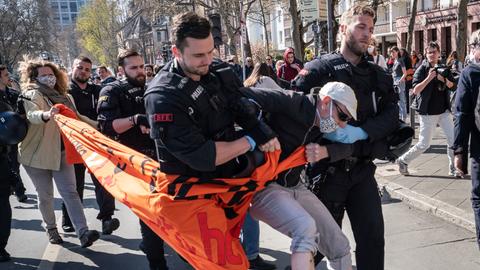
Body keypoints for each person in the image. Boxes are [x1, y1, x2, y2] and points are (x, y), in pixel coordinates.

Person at [144, 12, 279, 270]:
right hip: (192, 195)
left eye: (210, 51)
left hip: (229, 185)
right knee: (214, 262)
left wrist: (261, 129)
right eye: (198, 55)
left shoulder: (217, 69)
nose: (206, 60)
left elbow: (239, 104)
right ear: (176, 51)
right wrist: (252, 140)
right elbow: (203, 156)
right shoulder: (162, 96)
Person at [293, 5, 398, 270]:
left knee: (373, 242)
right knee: (315, 249)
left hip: (362, 171)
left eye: (371, 29)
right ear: (343, 28)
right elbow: (293, 114)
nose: (367, 34)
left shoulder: (378, 75)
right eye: (361, 26)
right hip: (325, 174)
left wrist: (362, 131)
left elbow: (392, 115)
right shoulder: (318, 70)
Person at [240, 82, 358, 270]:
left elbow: (350, 146)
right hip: (264, 187)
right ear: (326, 102)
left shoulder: (327, 123)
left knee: (339, 245)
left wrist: (326, 151)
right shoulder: (292, 102)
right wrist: (259, 131)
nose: (342, 123)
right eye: (342, 116)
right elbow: (240, 95)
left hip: (296, 186)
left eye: (347, 119)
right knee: (304, 228)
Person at [97, 49, 168, 270]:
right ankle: (157, 263)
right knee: (150, 213)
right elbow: (107, 125)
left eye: (141, 66)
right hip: (133, 161)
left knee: (165, 210)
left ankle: (152, 245)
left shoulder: (152, 87)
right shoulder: (112, 91)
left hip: (161, 158)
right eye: (133, 68)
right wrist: (135, 119)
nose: (140, 72)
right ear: (121, 70)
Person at [17, 57, 100, 248]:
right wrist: (47, 115)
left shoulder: (66, 96)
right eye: (44, 75)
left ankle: (83, 232)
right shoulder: (31, 94)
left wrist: (101, 127)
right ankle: (51, 229)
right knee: (45, 195)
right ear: (34, 78)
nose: (49, 78)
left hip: (62, 152)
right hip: (36, 155)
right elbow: (33, 115)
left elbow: (78, 117)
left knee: (70, 193)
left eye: (51, 74)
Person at [63, 56, 120, 235]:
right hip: (74, 142)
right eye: (80, 68)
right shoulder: (64, 92)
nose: (84, 72)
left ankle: (107, 219)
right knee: (75, 184)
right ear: (72, 68)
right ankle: (70, 220)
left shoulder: (98, 90)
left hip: (97, 142)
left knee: (104, 181)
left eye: (88, 69)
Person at [397, 41, 458, 177]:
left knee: (453, 140)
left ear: (438, 53)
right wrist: (429, 78)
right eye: (429, 52)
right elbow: (415, 90)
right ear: (425, 54)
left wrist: (444, 80)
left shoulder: (443, 67)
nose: (432, 54)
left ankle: (453, 167)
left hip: (444, 111)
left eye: (434, 52)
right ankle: (403, 160)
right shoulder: (421, 69)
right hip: (427, 112)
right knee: (424, 144)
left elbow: (453, 86)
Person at [453, 29, 480, 248]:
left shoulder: (470, 73)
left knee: (479, 199)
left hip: (479, 150)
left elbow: (462, 114)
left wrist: (459, 152)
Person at [0, 65, 27, 203]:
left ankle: (16, 187)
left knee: (15, 164)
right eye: (5, 75)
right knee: (9, 164)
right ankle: (18, 189)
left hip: (15, 135)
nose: (8, 76)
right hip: (2, 139)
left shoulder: (13, 94)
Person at [390, 46, 408, 121]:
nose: (392, 54)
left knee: (402, 100)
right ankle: (400, 117)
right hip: (395, 82)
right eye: (391, 52)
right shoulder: (395, 61)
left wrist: (400, 80)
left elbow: (405, 73)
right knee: (398, 101)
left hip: (399, 82)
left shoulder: (400, 60)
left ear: (397, 52)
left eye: (393, 52)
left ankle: (404, 118)